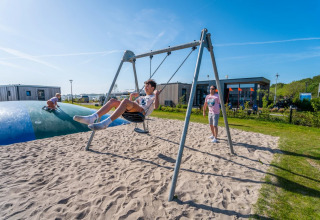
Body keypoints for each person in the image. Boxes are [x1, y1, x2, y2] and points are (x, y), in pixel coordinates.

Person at [73, 79, 160, 131]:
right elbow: (131, 105)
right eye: (145, 86)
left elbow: (156, 107)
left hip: (141, 112)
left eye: (147, 86)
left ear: (153, 88)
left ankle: (105, 123)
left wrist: (156, 94)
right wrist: (131, 96)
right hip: (134, 110)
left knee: (125, 101)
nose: (145, 87)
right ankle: (91, 118)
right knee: (112, 101)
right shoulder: (142, 97)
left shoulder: (153, 97)